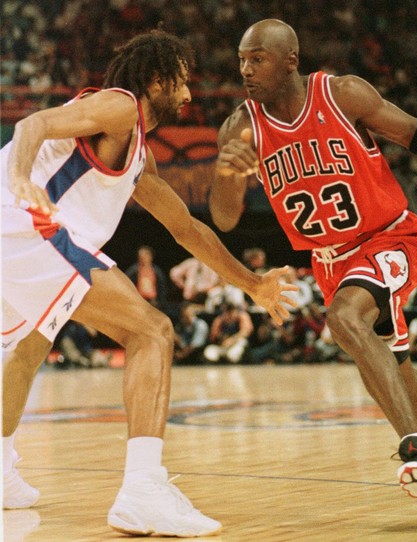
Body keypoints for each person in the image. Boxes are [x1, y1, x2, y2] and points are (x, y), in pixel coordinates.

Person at [209, 19, 417, 513]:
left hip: (390, 238)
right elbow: (225, 218)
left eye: (257, 58)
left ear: (291, 60)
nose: (245, 70)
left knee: (345, 319)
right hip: (329, 260)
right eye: (241, 60)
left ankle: (415, 450)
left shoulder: (341, 95)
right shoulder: (241, 127)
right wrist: (228, 172)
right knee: (394, 373)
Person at [1, 29, 298, 537]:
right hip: (26, 226)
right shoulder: (119, 107)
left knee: (28, 348)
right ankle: (143, 488)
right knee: (152, 331)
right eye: (181, 82)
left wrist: (252, 283)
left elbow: (187, 229)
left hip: (20, 237)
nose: (188, 94)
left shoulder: (138, 152)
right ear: (157, 79)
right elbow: (33, 122)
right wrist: (23, 180)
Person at [125, 245, 169, 311]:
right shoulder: (133, 271)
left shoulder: (156, 271)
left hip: (153, 303)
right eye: (141, 256)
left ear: (150, 256)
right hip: (138, 302)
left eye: (145, 255)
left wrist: (160, 302)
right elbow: (127, 285)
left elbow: (162, 287)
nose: (143, 258)